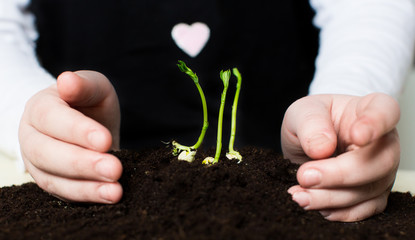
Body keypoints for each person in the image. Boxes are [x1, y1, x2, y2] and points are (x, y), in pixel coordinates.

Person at [0, 0, 414, 223]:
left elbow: (369, 6)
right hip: (94, 170)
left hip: (285, 164)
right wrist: (36, 114)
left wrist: (343, 102)